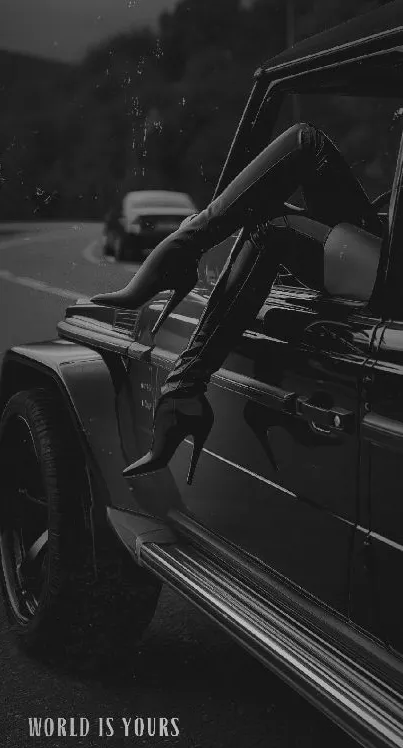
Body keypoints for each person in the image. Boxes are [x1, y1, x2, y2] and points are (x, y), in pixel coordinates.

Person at [92, 123, 381, 483]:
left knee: (302, 154)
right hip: (384, 255)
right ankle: (183, 384)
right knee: (273, 196)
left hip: (392, 275)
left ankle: (178, 261)